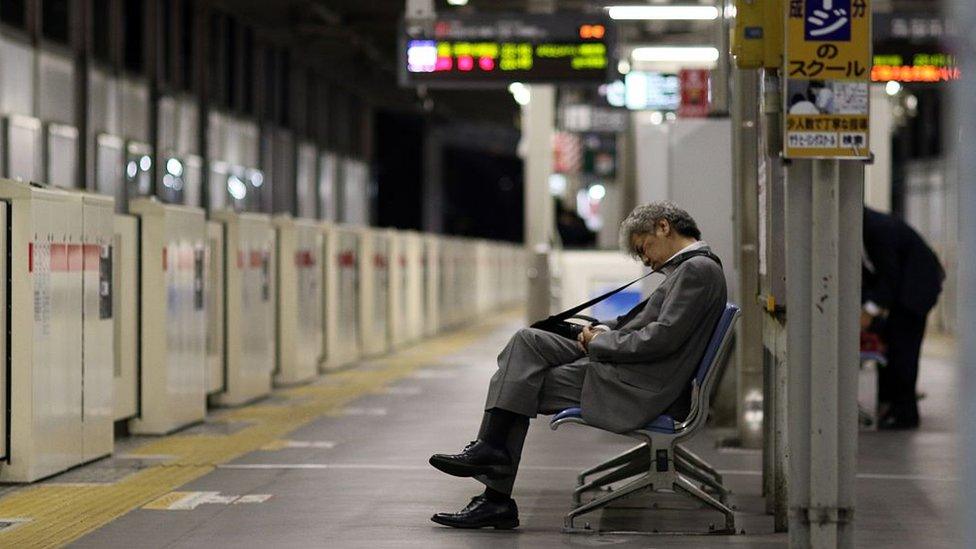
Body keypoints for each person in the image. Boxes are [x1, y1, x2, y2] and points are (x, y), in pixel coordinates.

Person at [428, 202, 727, 529]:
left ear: (664, 227)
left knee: (523, 383)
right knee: (527, 341)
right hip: (635, 366)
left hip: (642, 384)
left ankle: (495, 495)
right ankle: (491, 449)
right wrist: (601, 329)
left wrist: (599, 342)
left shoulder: (696, 270)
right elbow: (645, 325)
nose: (646, 260)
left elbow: (661, 338)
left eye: (644, 249)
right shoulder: (690, 268)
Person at [862, 207, 944, 429]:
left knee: (903, 350)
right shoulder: (868, 227)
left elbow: (889, 275)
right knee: (892, 347)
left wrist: (869, 310)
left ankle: (905, 415)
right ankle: (891, 407)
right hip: (905, 289)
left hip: (915, 292)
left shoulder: (877, 230)